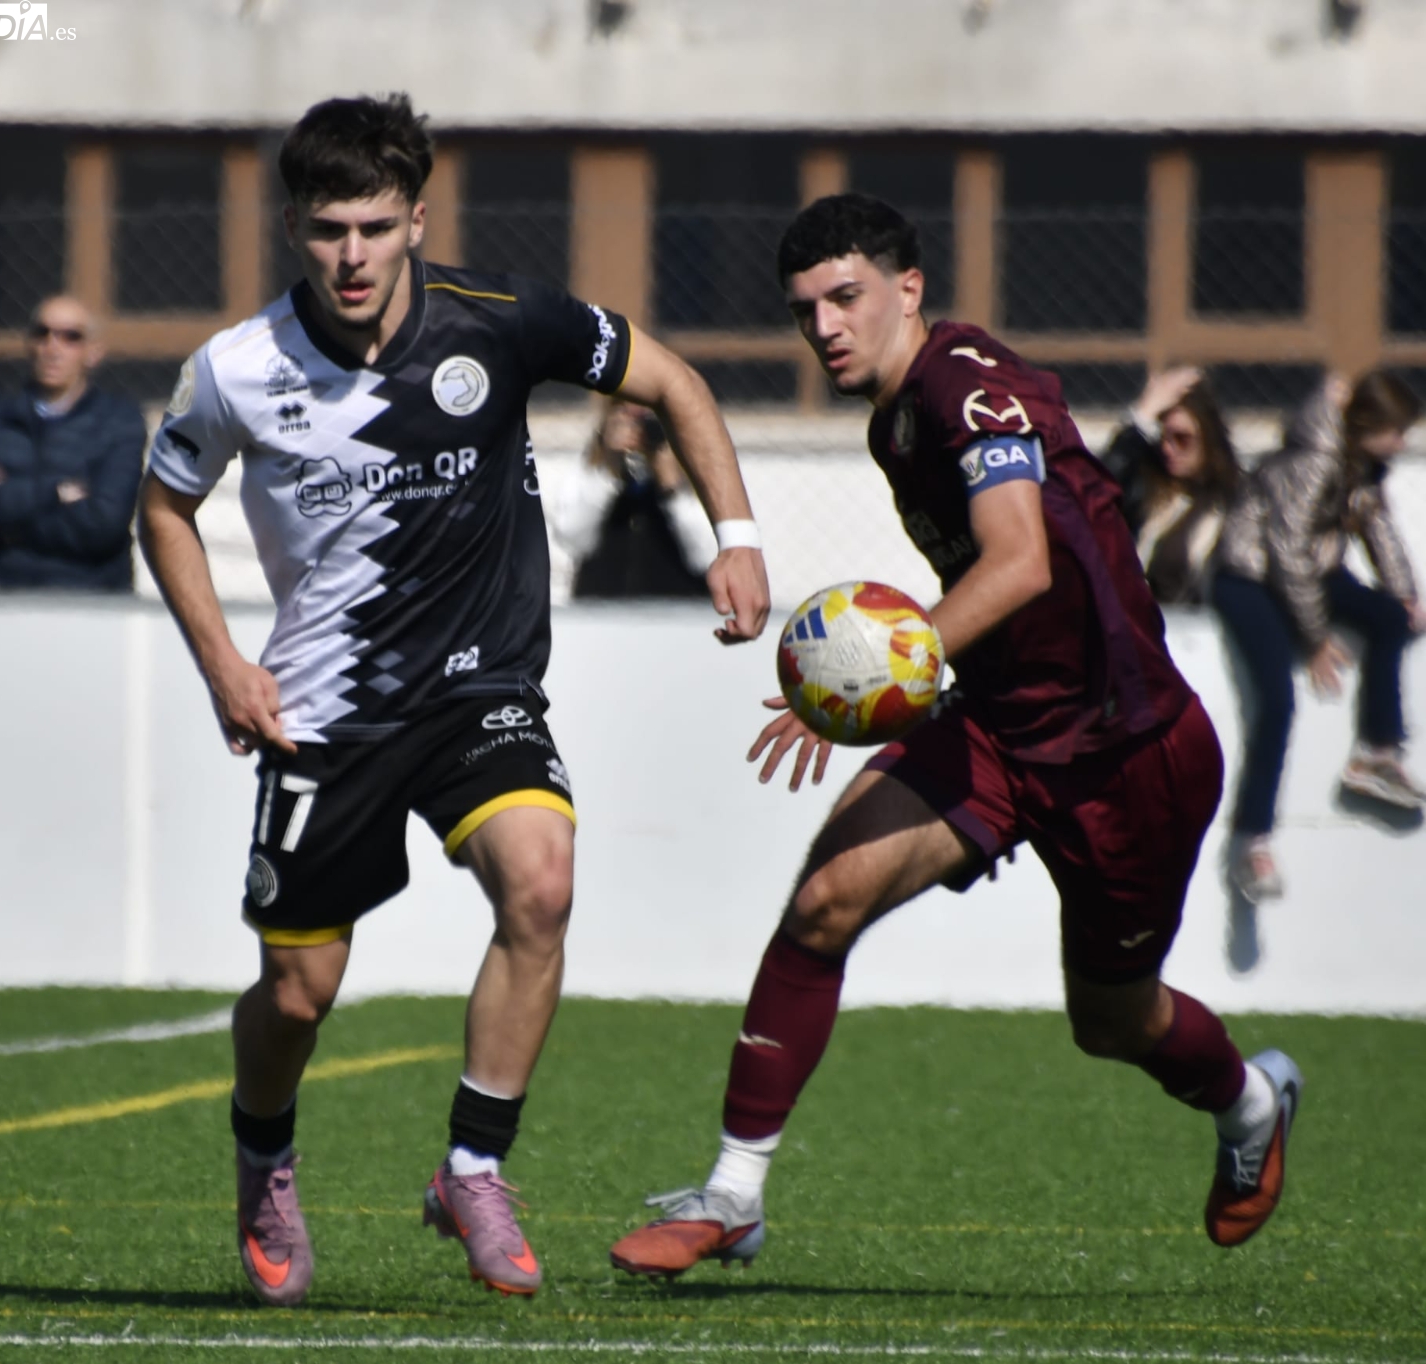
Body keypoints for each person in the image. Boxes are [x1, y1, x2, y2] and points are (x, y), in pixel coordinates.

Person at [138, 93, 769, 1305]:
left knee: (542, 881)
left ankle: (473, 1167)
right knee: (297, 994)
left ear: (417, 221)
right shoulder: (235, 369)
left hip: (480, 686)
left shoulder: (502, 319)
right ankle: (263, 1158)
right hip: (324, 711)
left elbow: (676, 381)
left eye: (376, 227)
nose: (353, 255)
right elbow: (164, 509)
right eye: (329, 229)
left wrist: (736, 537)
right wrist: (222, 662)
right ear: (292, 227)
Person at [608, 193, 1301, 1280]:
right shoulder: (892, 419)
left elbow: (1019, 562)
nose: (824, 326)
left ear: (909, 289)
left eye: (846, 297)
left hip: (1123, 752)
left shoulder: (966, 387)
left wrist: (874, 670)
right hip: (994, 723)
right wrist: (910, 681)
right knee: (824, 903)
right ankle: (733, 1196)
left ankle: (1250, 1101)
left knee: (1111, 1022)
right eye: (804, 310)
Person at [1211, 371, 1424, 902]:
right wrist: (1314, 638)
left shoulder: (1363, 466)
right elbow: (1286, 553)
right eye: (1396, 431)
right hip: (1250, 577)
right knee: (1277, 702)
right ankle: (1252, 841)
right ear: (1367, 426)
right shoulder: (1312, 461)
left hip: (1310, 572)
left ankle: (1376, 754)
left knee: (1389, 619)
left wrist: (1404, 596)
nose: (1402, 442)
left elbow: (1379, 529)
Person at [0, 295, 147, 591]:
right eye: (42, 334)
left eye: (71, 337)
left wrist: (10, 528)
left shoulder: (119, 421)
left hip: (89, 591)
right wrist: (56, 492)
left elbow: (104, 525)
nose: (52, 348)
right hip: (4, 587)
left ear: (93, 353)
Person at [1101, 367, 1236, 605]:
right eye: (1162, 437)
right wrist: (1141, 419)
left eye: (1182, 438)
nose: (1168, 449)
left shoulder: (1233, 502)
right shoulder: (1148, 493)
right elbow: (1095, 495)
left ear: (1208, 438)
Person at [569, 399, 709, 599]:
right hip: (603, 606)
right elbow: (573, 539)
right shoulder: (593, 467)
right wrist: (609, 472)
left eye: (651, 415)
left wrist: (672, 487)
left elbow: (708, 557)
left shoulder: (698, 465)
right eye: (625, 413)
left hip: (677, 606)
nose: (639, 428)